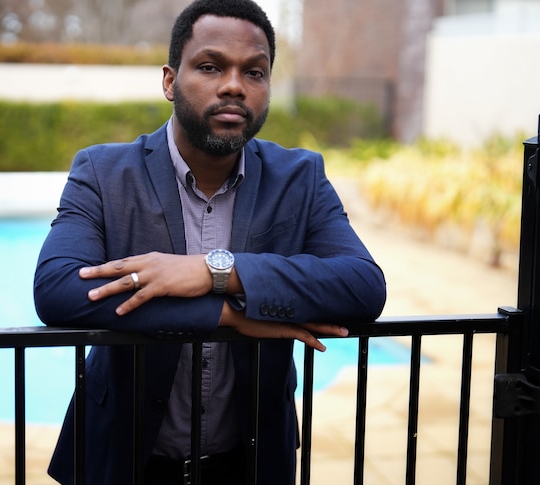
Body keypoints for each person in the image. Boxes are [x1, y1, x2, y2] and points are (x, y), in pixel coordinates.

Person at [33, 0, 386, 483]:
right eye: (210, 66)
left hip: (250, 461)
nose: (234, 86)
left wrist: (214, 271)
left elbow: (363, 287)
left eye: (255, 72)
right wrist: (230, 316)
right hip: (123, 459)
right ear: (169, 80)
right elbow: (58, 289)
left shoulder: (299, 178)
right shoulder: (104, 172)